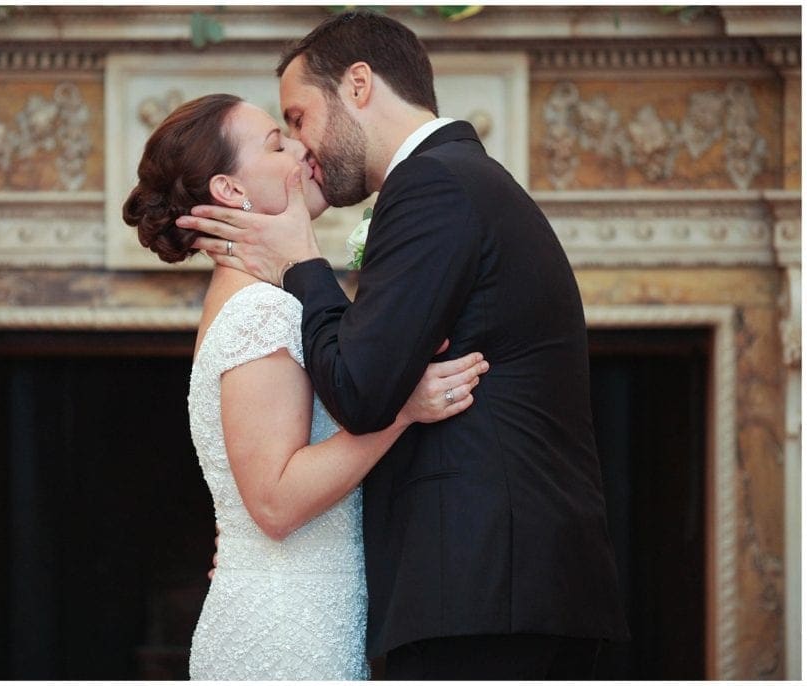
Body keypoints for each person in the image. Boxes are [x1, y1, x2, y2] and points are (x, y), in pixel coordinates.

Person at [178, 10, 629, 680]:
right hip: (490, 590)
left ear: (358, 85)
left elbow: (362, 390)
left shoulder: (432, 185)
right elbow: (364, 397)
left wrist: (304, 259)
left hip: (484, 591)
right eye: (283, 135)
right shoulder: (459, 180)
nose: (302, 149)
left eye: (298, 118)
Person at [123, 93, 489, 679]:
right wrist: (401, 410)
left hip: (301, 610)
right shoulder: (260, 311)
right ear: (229, 190)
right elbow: (273, 501)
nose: (301, 147)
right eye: (276, 142)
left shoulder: (264, 301)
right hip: (287, 631)